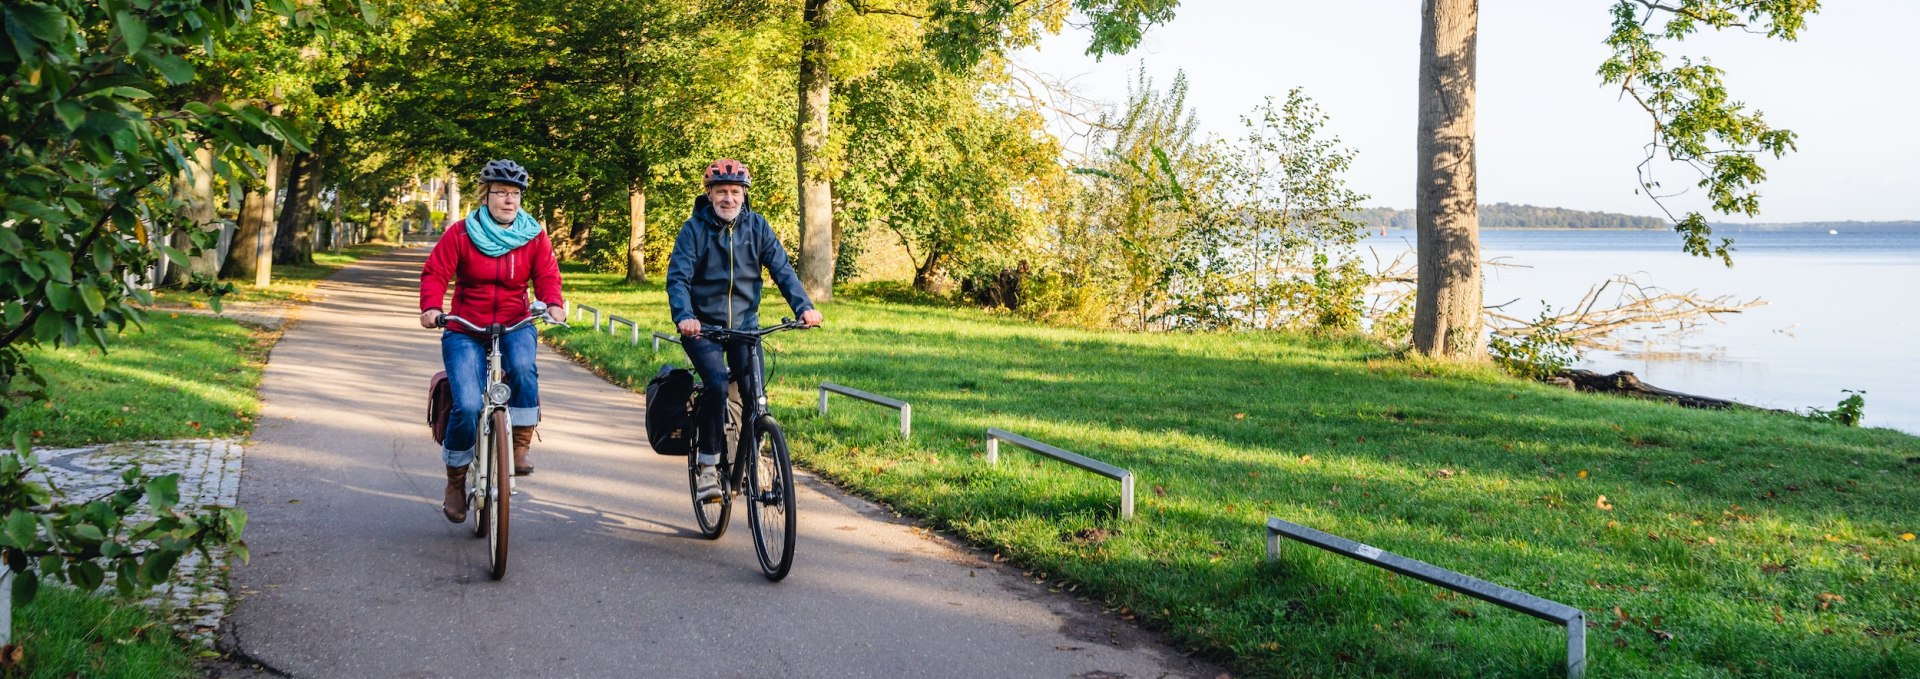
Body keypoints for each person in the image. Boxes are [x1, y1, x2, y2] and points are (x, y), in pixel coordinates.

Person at [666, 158, 823, 501]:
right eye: (721, 191)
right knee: (716, 385)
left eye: (735, 192)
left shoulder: (758, 227)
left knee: (755, 396)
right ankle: (708, 467)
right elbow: (678, 279)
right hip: (703, 329)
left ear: (744, 195)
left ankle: (753, 460)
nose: (729, 198)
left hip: (745, 329)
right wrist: (685, 316)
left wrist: (804, 307)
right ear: (709, 194)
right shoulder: (693, 231)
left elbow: (782, 269)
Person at [419, 159, 566, 523]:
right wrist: (431, 307)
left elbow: (547, 275)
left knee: (523, 368)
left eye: (515, 193)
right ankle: (455, 481)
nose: (509, 200)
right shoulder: (461, 234)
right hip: (465, 327)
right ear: (485, 196)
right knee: (468, 405)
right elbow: (436, 272)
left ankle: (519, 446)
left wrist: (553, 303)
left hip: (515, 323)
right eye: (501, 192)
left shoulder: (533, 235)